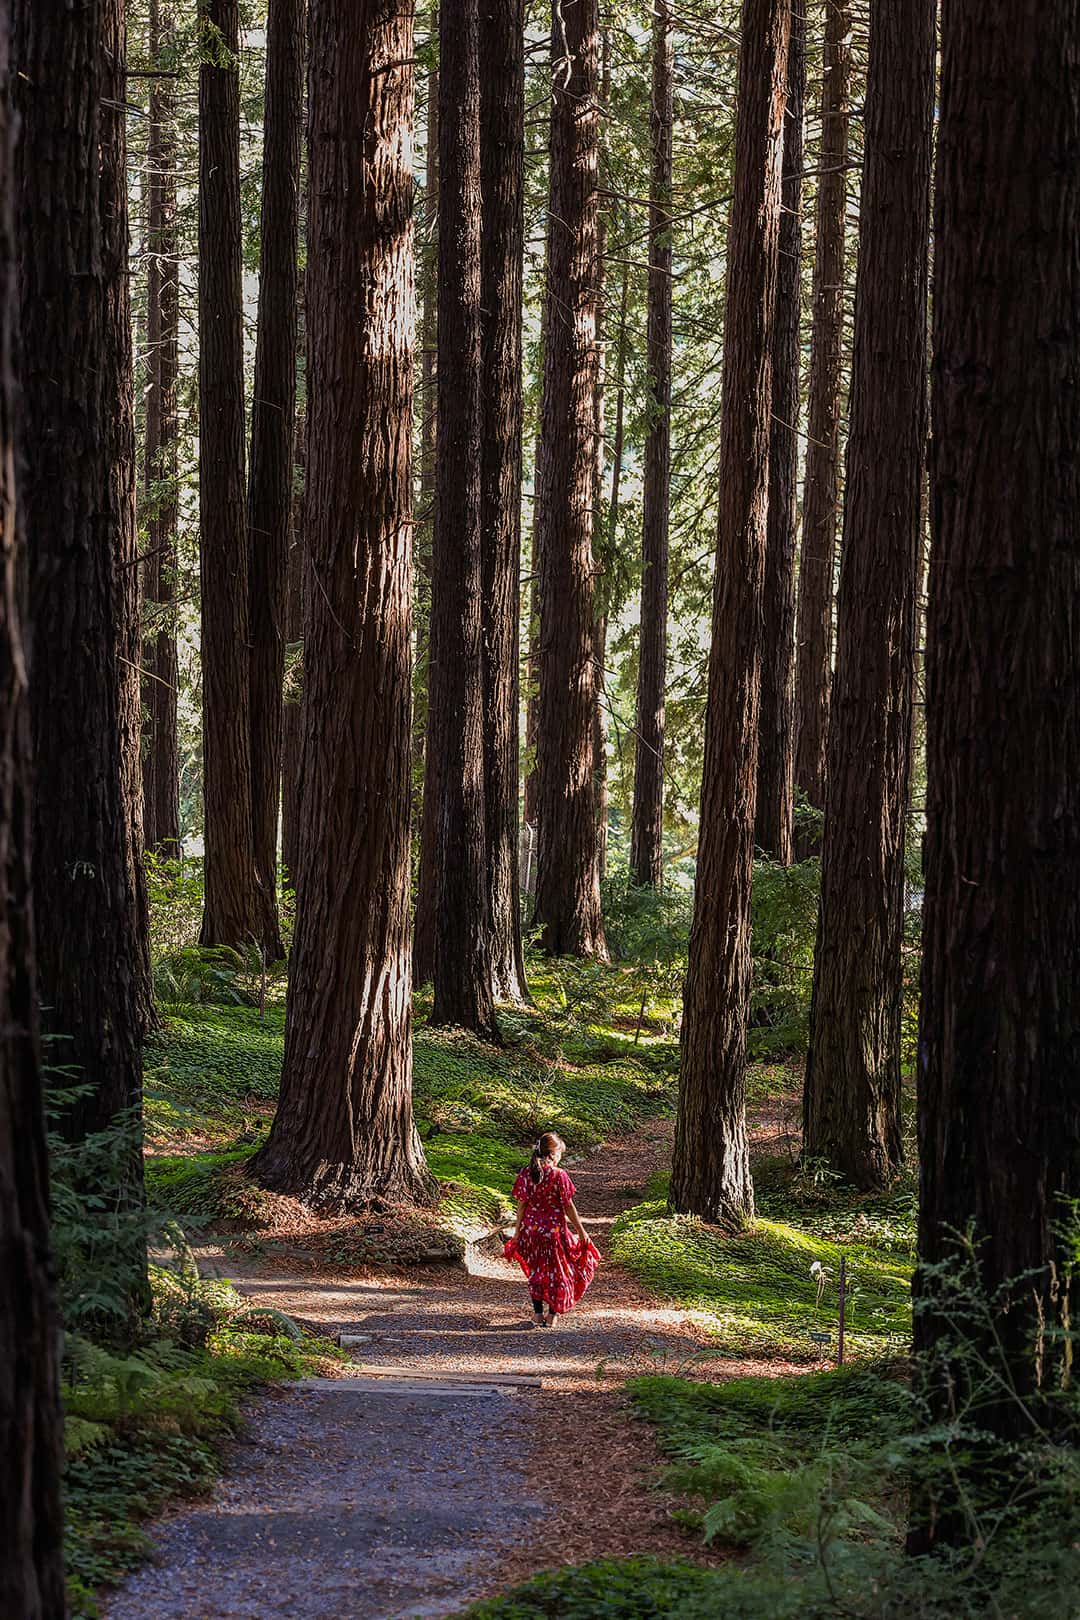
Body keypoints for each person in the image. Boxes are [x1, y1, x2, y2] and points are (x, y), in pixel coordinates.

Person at [504, 1131, 599, 1326]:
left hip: (531, 1231)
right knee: (559, 1272)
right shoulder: (559, 1175)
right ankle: (553, 1315)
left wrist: (517, 1232)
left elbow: (521, 1205)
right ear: (553, 1153)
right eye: (560, 1154)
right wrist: (581, 1232)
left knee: (536, 1272)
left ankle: (537, 1314)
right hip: (554, 1232)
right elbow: (568, 1206)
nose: (560, 1159)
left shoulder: (526, 1173)